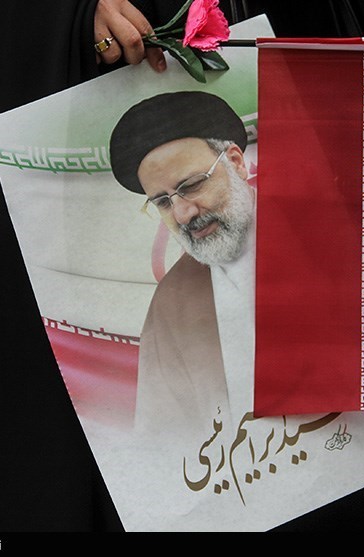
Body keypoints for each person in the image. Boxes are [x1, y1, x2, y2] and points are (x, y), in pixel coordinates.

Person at [109, 91, 256, 434]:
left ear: (236, 162)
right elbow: (166, 437)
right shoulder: (172, 300)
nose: (182, 213)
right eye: (163, 202)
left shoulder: (321, 231)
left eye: (191, 185)